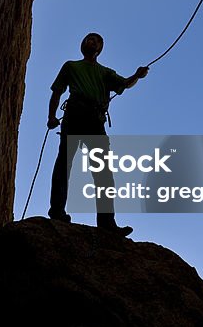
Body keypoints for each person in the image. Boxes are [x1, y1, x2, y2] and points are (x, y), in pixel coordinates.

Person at [47, 32, 149, 236]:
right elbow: (57, 92)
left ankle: (106, 221)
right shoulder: (71, 66)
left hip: (94, 120)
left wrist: (137, 76)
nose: (90, 41)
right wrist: (51, 116)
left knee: (103, 173)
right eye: (88, 39)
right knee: (63, 165)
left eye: (95, 40)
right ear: (82, 45)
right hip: (75, 115)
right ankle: (57, 211)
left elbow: (124, 84)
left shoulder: (105, 73)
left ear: (99, 49)